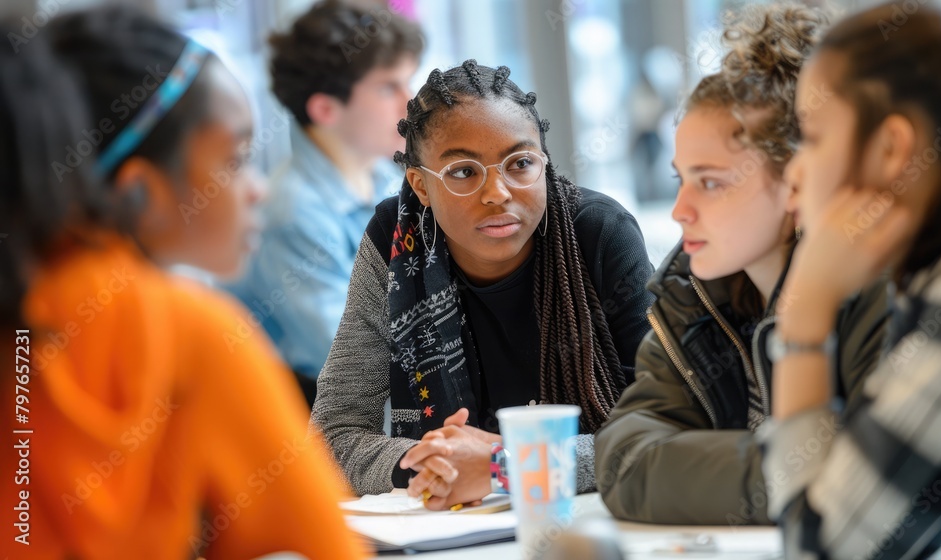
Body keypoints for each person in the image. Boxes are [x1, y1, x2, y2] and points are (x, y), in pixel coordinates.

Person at [0, 8, 365, 558]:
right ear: (137, 192)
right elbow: (328, 549)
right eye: (236, 158)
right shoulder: (196, 334)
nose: (258, 189)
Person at [309, 60, 655, 509]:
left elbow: (667, 428)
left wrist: (503, 464)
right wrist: (431, 461)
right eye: (463, 172)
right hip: (456, 530)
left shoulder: (600, 233)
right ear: (420, 186)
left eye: (521, 163)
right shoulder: (395, 243)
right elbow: (330, 438)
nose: (497, 193)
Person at [594, 3, 889, 526]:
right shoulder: (692, 288)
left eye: (711, 182)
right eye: (680, 178)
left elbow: (884, 484)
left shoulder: (882, 288)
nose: (681, 209)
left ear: (799, 182)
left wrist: (706, 474)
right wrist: (799, 479)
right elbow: (623, 460)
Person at [764, 3, 941, 558]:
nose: (793, 171)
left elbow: (824, 547)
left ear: (892, 148)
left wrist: (804, 316)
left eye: (812, 136)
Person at [225, 0, 423, 408]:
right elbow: (357, 366)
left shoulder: (387, 180)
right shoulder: (292, 213)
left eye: (410, 81)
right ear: (325, 109)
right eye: (389, 87)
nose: (412, 102)